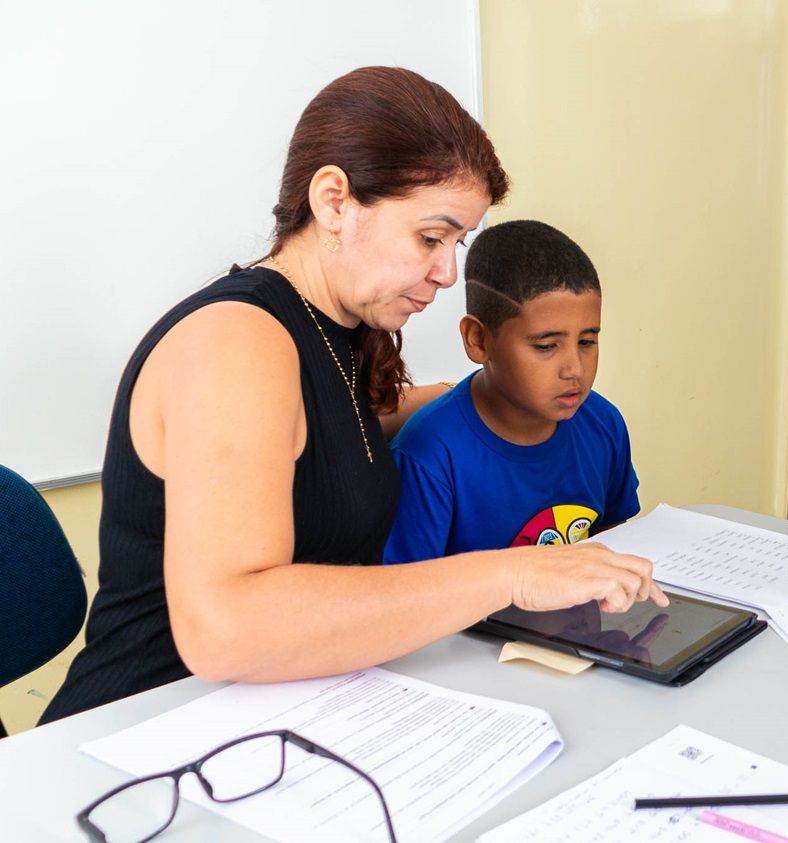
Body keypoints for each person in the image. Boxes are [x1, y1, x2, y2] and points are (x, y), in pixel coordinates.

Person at [42, 67, 665, 725]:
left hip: (277, 710)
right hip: (141, 728)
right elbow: (225, 627)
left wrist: (458, 399)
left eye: (458, 243)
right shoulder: (236, 341)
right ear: (334, 201)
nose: (447, 272)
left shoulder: (338, 332)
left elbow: (325, 440)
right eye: (431, 236)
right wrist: (513, 575)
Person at [382, 219, 641, 564]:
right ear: (478, 340)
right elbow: (403, 597)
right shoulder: (428, 456)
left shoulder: (603, 424)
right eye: (546, 346)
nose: (575, 369)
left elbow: (612, 542)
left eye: (587, 341)